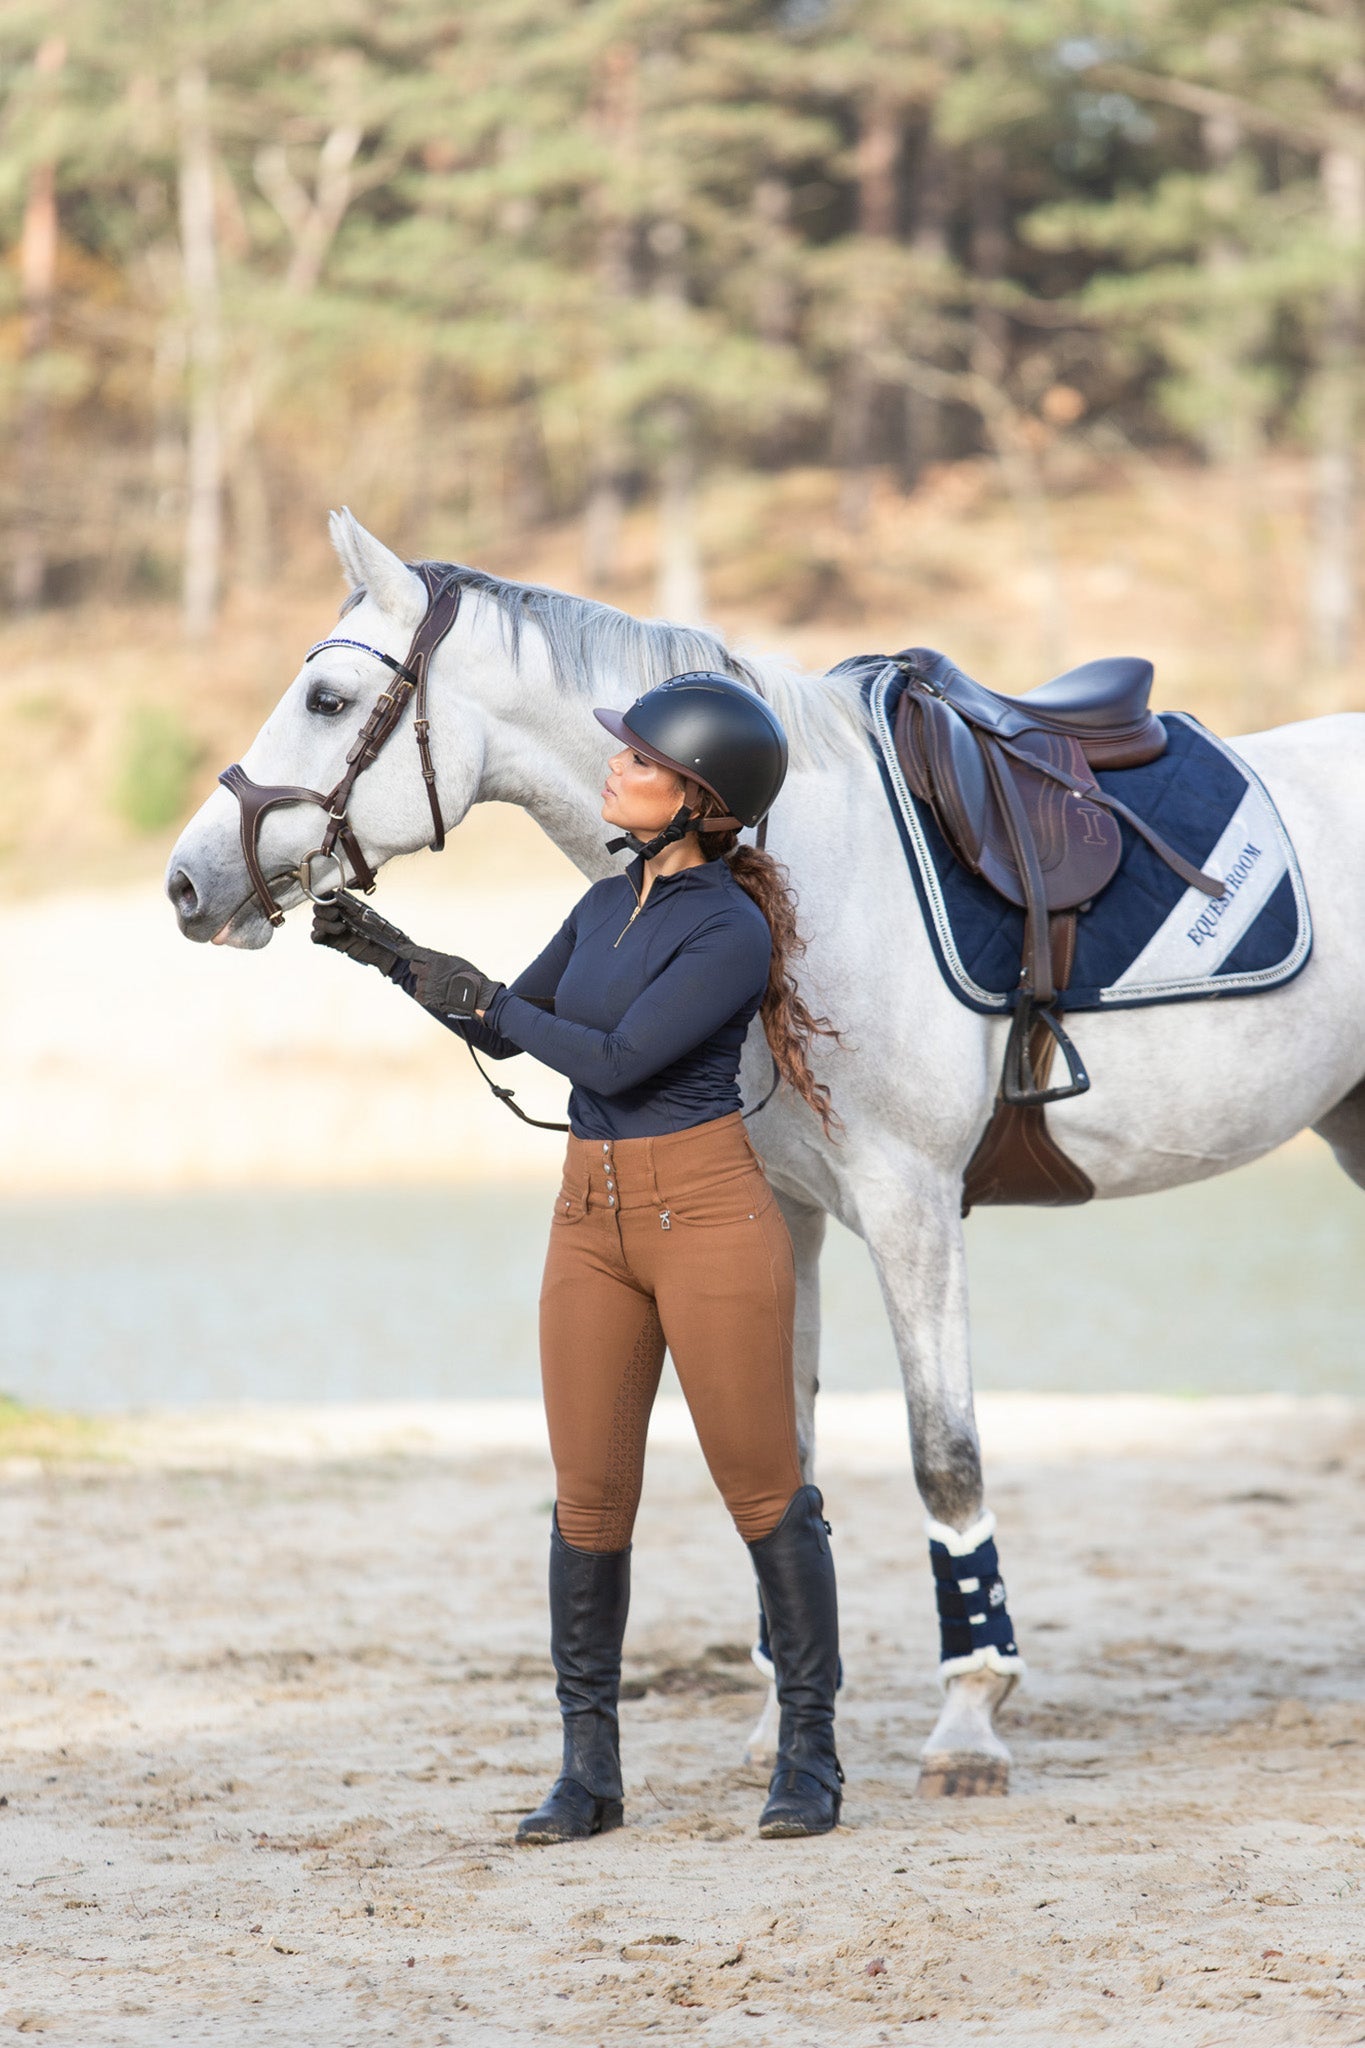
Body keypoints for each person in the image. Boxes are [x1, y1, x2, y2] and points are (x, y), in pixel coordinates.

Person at [311, 672, 843, 1843]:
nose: (616, 767)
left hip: (706, 1215)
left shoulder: (730, 928)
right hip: (587, 1220)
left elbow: (610, 1059)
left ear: (700, 798)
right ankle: (588, 1774)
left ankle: (810, 1750)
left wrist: (487, 993)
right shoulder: (607, 902)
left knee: (765, 1493)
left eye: (641, 760)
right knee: (587, 1504)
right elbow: (513, 1016)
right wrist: (397, 956)